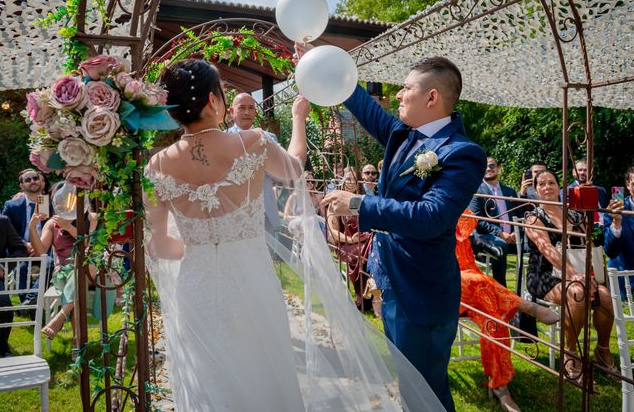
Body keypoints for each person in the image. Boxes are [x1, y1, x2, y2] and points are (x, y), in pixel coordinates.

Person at [144, 59, 443, 411]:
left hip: (194, 288)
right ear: (213, 101)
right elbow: (293, 168)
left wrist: (198, 249)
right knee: (264, 371)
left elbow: (159, 245)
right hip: (250, 282)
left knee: (209, 379)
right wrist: (298, 118)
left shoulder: (156, 166)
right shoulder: (250, 144)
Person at [322, 56, 487, 411]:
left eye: (406, 88)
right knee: (407, 383)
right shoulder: (402, 135)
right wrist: (324, 64)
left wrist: (360, 204)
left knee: (426, 393)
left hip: (422, 293)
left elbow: (431, 217)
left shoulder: (463, 153)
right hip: (390, 281)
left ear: (431, 98)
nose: (398, 95)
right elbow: (367, 109)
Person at [456, 212, 559, 412]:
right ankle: (523, 305)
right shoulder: (422, 212)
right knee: (477, 282)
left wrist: (499, 235)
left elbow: (477, 224)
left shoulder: (455, 209)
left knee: (493, 317)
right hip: (446, 285)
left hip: (473, 287)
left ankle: (500, 386)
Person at [525, 169, 616, 382]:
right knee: (577, 293)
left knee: (605, 296)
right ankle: (571, 353)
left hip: (578, 274)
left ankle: (602, 351)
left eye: (551, 183)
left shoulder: (574, 213)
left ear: (559, 187)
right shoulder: (533, 216)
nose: (547, 187)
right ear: (536, 190)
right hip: (544, 274)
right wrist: (575, 275)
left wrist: (612, 220)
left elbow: (592, 241)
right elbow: (547, 249)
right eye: (542, 184)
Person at [28, 181, 102, 339]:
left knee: (85, 266)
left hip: (91, 269)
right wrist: (32, 227)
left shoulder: (92, 218)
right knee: (77, 294)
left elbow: (90, 245)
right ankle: (78, 345)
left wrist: (68, 227)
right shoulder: (51, 224)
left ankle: (60, 317)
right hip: (64, 272)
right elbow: (41, 252)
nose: (65, 204)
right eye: (59, 200)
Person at [227, 92, 281, 232]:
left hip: (265, 211)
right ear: (232, 111)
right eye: (242, 108)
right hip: (233, 212)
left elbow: (280, 175)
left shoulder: (270, 138)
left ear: (255, 112)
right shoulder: (222, 140)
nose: (247, 112)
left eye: (251, 108)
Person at [2, 168, 54, 309]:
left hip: (44, 249)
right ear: (21, 186)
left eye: (35, 178)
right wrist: (24, 244)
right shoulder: (12, 206)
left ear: (41, 182)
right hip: (21, 250)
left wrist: (39, 245)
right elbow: (5, 231)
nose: (32, 181)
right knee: (20, 270)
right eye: (28, 180)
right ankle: (29, 306)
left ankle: (30, 301)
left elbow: (54, 230)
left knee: (49, 264)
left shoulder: (47, 204)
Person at [468, 157, 520, 287]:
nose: (488, 169)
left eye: (491, 166)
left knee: (534, 242)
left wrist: (515, 233)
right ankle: (501, 291)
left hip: (514, 237)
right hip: (487, 237)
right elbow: (477, 220)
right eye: (484, 166)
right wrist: (500, 233)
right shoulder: (476, 191)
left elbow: (518, 215)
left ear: (498, 168)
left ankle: (525, 294)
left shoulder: (509, 191)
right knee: (501, 244)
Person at [325, 166, 371, 309]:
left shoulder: (364, 200)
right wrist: (351, 239)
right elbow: (333, 231)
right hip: (346, 243)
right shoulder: (335, 203)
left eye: (355, 179)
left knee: (375, 245)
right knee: (364, 250)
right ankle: (364, 295)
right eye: (348, 179)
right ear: (342, 181)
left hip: (365, 239)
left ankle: (374, 291)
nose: (351, 182)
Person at [0, 214, 28, 358]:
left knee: (2, 304)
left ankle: (2, 347)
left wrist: (2, 267)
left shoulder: (1, 222)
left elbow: (20, 249)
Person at [604, 164, 634, 294]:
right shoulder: (615, 209)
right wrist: (617, 222)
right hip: (625, 284)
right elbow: (611, 251)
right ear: (628, 185)